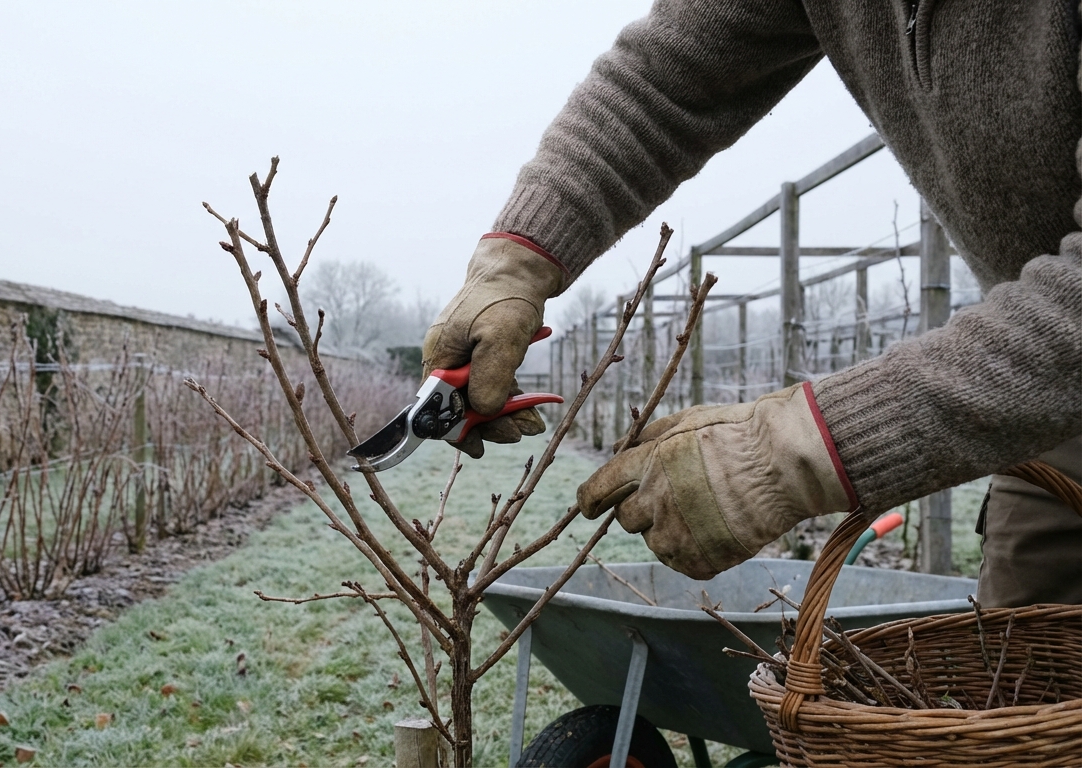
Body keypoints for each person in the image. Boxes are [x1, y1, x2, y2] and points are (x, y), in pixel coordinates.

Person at [421, 1, 1082, 608]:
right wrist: (513, 264)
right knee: (1020, 673)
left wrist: (790, 453)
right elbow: (661, 85)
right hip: (1048, 414)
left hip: (1052, 356)